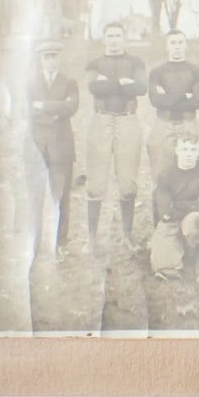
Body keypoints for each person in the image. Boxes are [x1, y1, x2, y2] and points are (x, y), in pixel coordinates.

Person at [84, 21, 147, 251]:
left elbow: (141, 88)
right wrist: (123, 83)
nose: (114, 40)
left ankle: (127, 236)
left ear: (124, 38)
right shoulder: (94, 63)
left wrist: (109, 84)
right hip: (100, 120)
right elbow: (93, 88)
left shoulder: (136, 62)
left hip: (128, 120)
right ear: (104, 39)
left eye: (118, 35)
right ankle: (91, 239)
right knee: (96, 182)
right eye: (109, 35)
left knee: (128, 182)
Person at [24, 39, 79, 259]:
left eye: (54, 56)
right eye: (46, 56)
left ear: (60, 58)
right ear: (40, 59)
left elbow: (72, 106)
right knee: (36, 196)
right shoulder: (30, 83)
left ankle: (60, 242)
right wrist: (57, 108)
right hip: (37, 146)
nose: (50, 60)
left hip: (62, 145)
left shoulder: (70, 82)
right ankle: (36, 242)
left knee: (61, 196)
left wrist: (43, 105)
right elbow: (27, 110)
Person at [150, 134, 199, 281]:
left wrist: (178, 205)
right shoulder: (166, 174)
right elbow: (165, 213)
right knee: (165, 266)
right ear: (177, 151)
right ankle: (179, 250)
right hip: (174, 220)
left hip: (194, 217)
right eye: (184, 149)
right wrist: (194, 204)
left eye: (193, 150)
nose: (189, 154)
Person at [147, 28, 199, 184]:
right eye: (173, 43)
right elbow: (156, 101)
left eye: (180, 42)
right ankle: (160, 207)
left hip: (188, 124)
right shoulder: (156, 72)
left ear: (186, 45)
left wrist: (168, 94)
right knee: (160, 173)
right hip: (163, 124)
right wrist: (185, 95)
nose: (177, 46)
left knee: (189, 174)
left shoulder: (196, 71)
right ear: (167, 46)